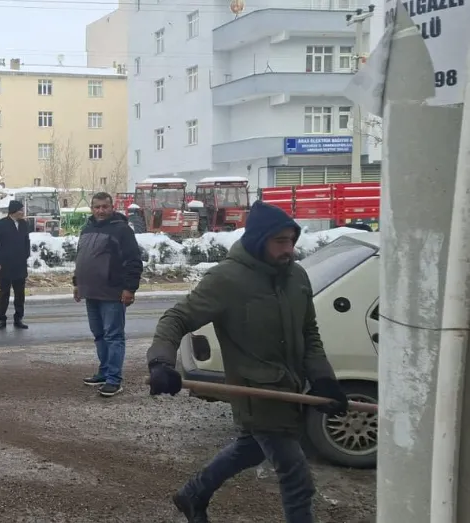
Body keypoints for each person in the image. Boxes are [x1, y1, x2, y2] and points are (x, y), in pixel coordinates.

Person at [145, 200, 350, 523]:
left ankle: (193, 494)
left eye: (292, 240)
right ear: (258, 240)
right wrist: (161, 363)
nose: (289, 249)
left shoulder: (296, 277)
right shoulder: (228, 279)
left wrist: (324, 380)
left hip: (290, 389)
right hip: (255, 394)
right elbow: (176, 318)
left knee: (249, 449)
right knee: (297, 479)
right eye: (280, 241)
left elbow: (309, 333)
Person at [72, 192, 143, 398]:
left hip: (112, 293)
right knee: (99, 335)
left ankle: (114, 379)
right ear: (92, 208)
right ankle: (103, 373)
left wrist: (130, 288)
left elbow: (133, 261)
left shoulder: (122, 230)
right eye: (97, 207)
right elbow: (81, 259)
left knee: (113, 336)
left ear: (112, 207)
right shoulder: (87, 229)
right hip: (91, 292)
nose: (100, 211)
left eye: (104, 206)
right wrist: (77, 283)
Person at [0, 200, 31, 330]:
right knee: (4, 293)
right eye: (20, 210)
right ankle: (1, 319)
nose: (22, 212)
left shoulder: (24, 224)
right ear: (13, 211)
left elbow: (26, 240)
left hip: (20, 265)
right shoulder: (1, 224)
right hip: (5, 265)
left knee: (20, 294)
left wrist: (26, 254)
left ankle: (18, 318)